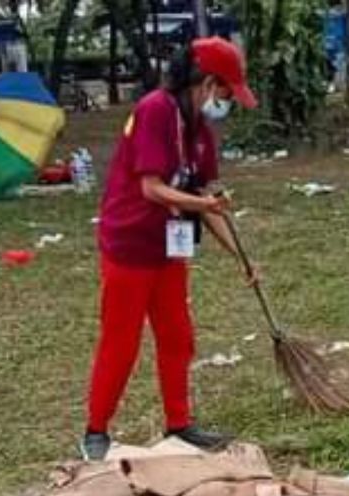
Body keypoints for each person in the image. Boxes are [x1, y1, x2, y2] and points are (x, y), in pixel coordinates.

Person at [80, 37, 260, 461]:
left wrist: (244, 260)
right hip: (130, 243)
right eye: (226, 92)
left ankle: (180, 424)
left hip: (169, 246)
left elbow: (209, 201)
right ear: (208, 82)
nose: (225, 102)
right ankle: (95, 430)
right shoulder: (155, 110)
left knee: (177, 335)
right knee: (121, 340)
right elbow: (152, 188)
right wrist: (203, 203)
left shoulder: (198, 127)